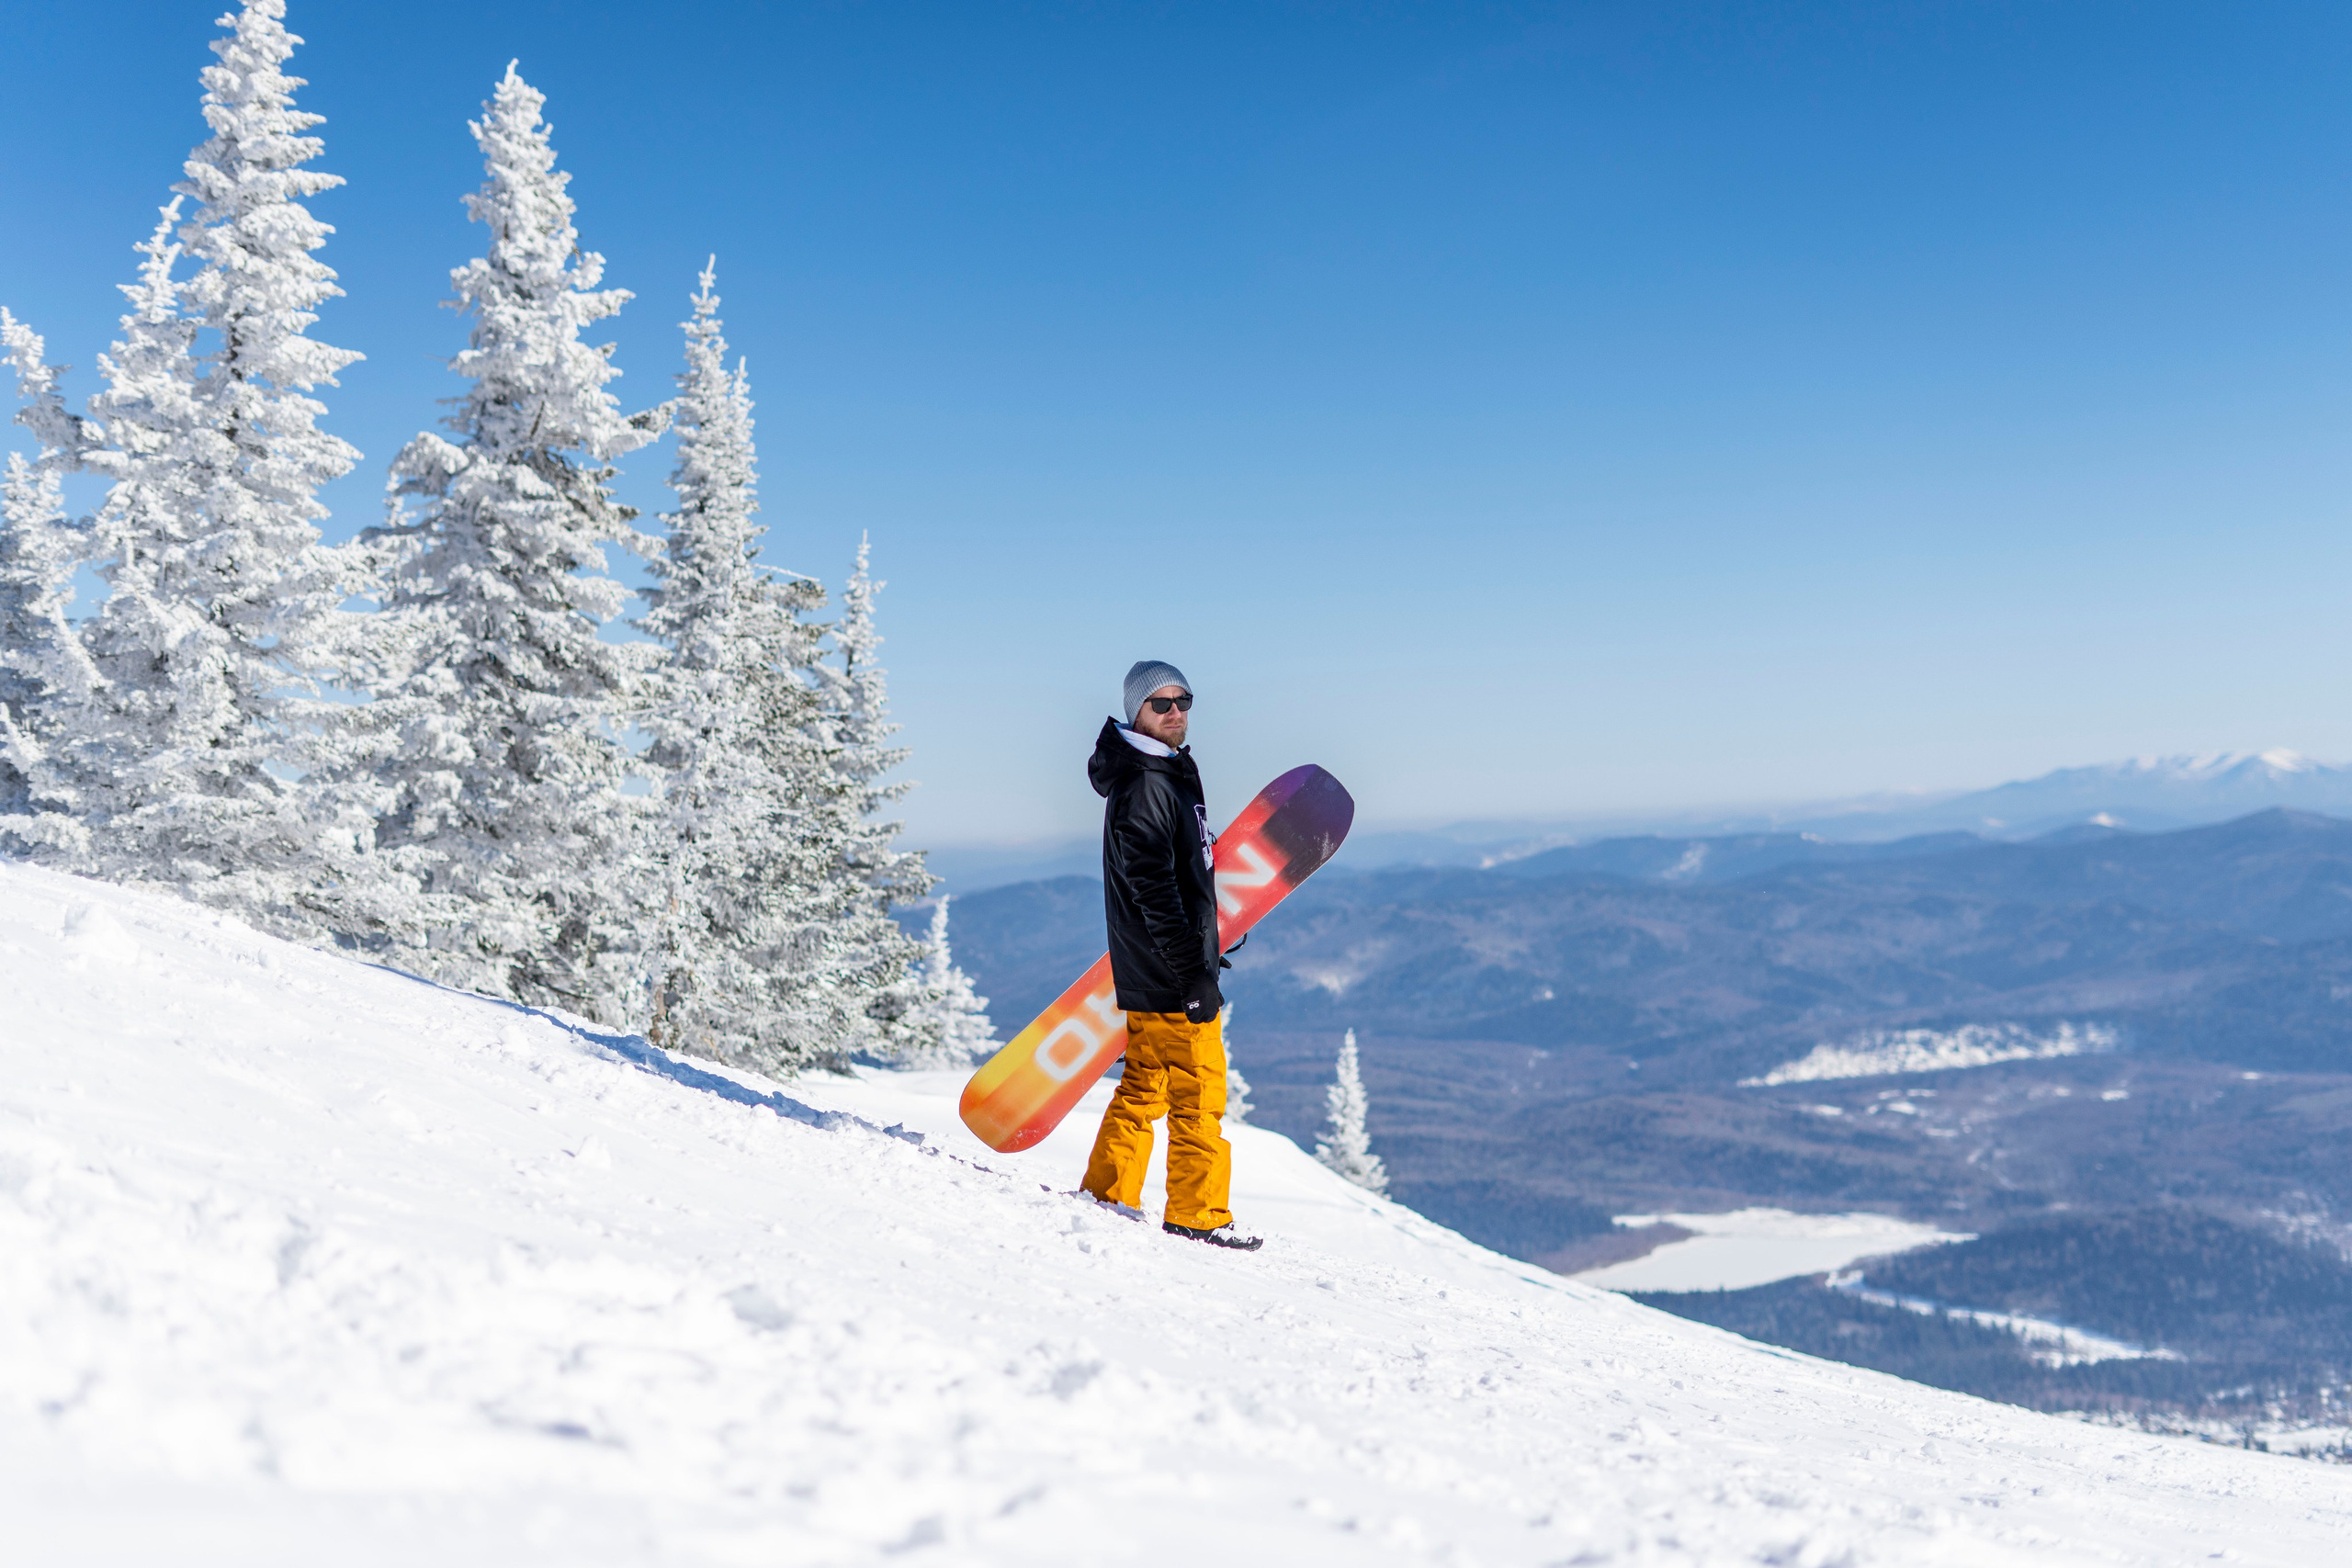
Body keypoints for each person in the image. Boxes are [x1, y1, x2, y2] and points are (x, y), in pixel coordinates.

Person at [1080, 660, 1262, 1251]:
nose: (1176, 711)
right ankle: (1198, 1213)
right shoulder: (1147, 785)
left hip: (1153, 969)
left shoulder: (1161, 772)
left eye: (1185, 700)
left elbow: (1180, 876)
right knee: (1198, 1095)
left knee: (1144, 1088)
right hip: (1169, 976)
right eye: (1162, 704)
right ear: (1136, 711)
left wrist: (1207, 936)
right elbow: (1151, 890)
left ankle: (1107, 1195)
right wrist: (1191, 970)